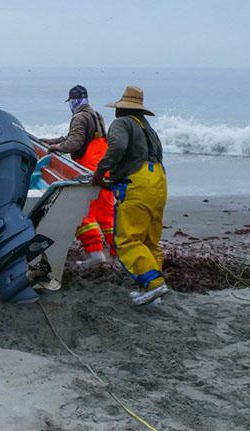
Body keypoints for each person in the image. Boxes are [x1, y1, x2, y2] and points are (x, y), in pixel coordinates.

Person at [91, 86, 169, 306]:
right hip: (159, 182)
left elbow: (117, 147)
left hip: (138, 185)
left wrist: (100, 172)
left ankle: (154, 284)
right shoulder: (148, 128)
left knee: (127, 241)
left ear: (122, 108)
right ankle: (153, 291)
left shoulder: (122, 123)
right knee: (150, 241)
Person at [40, 84, 115, 267]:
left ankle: (95, 253)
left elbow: (74, 142)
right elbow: (78, 136)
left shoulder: (79, 117)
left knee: (82, 212)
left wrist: (58, 148)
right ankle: (118, 252)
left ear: (73, 101)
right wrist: (54, 141)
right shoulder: (96, 115)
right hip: (104, 169)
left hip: (89, 170)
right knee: (106, 214)